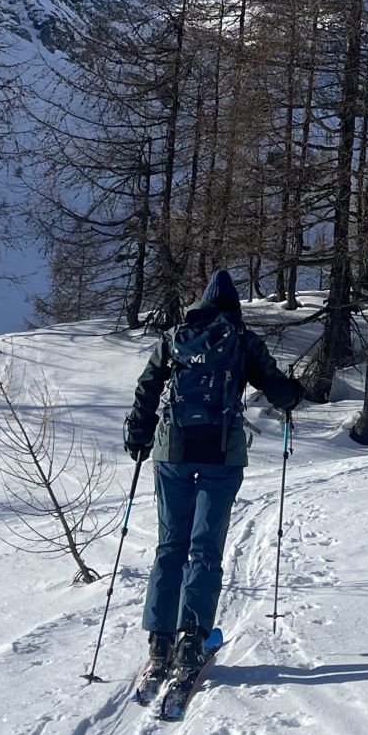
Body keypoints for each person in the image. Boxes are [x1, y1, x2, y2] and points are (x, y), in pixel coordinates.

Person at [123, 268, 304, 690]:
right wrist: (294, 393)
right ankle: (191, 641)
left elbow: (147, 388)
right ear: (234, 308)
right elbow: (279, 391)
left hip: (173, 451)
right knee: (205, 547)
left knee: (171, 545)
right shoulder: (242, 340)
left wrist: (139, 434)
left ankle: (160, 640)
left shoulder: (174, 337)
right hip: (222, 454)